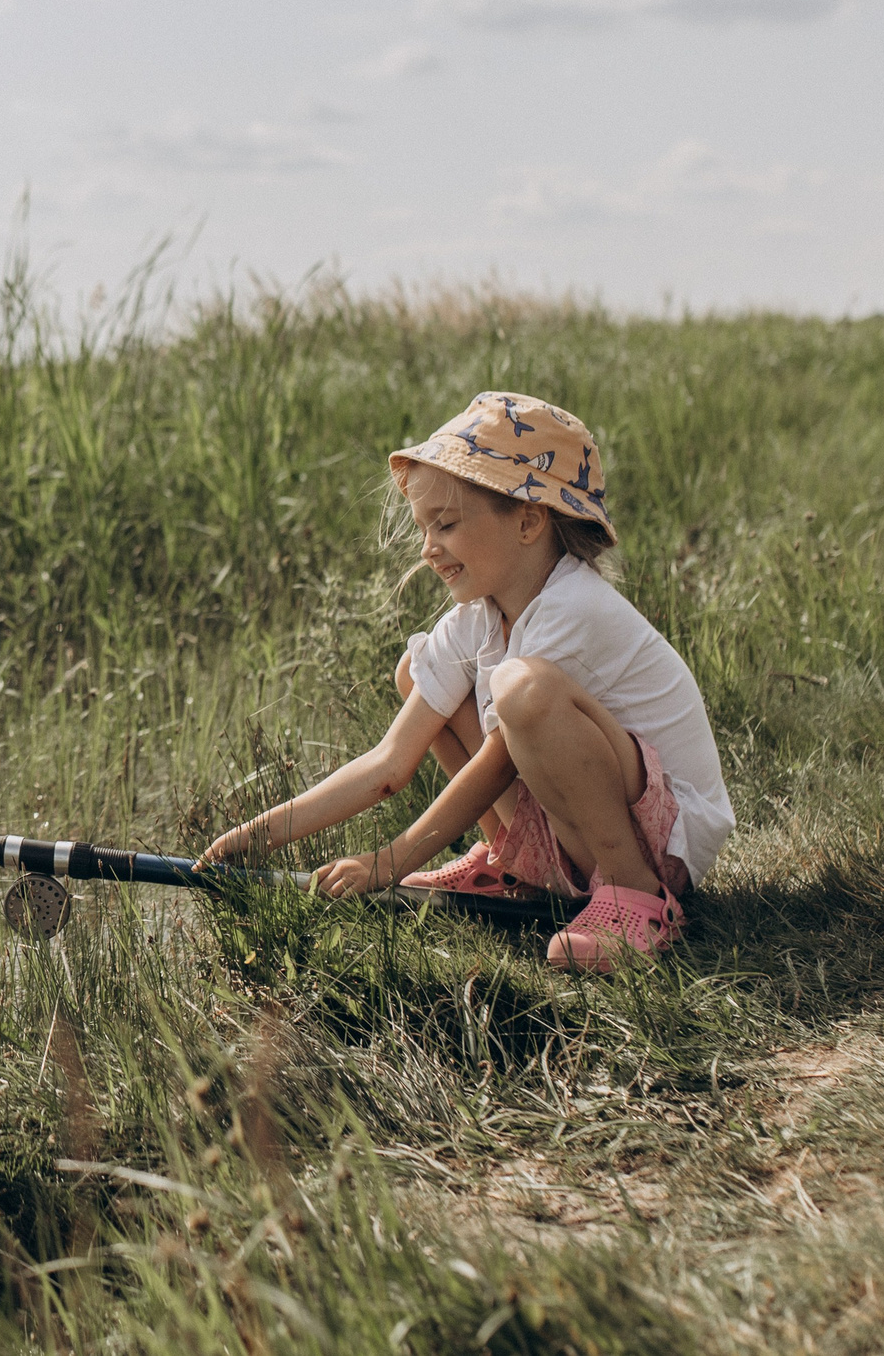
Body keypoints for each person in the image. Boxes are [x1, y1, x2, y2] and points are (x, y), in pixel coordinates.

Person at [198, 392, 734, 971]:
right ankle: (512, 866)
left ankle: (640, 899)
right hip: (588, 825)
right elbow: (388, 766)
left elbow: (500, 760)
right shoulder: (478, 619)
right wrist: (260, 834)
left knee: (523, 692)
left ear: (529, 520)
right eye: (424, 528)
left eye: (446, 524)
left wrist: (392, 859)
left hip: (662, 838)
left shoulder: (572, 606)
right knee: (419, 673)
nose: (429, 550)